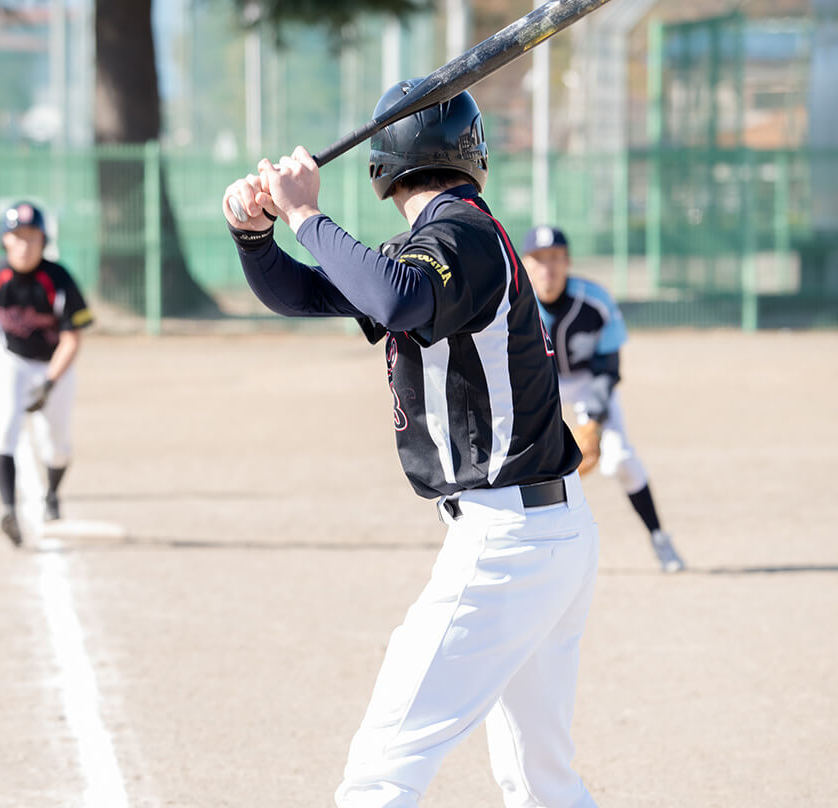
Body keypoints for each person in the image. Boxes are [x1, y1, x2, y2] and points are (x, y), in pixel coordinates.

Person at [223, 80, 600, 808]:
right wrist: (256, 234)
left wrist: (305, 210)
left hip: (507, 540)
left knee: (381, 772)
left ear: (382, 163)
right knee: (541, 781)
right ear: (471, 150)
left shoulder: (461, 235)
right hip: (541, 531)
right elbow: (307, 293)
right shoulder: (444, 239)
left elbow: (394, 296)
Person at [520, 224, 684, 573]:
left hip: (585, 382)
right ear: (525, 263)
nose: (548, 268)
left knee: (621, 457)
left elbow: (607, 368)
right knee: (524, 468)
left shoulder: (594, 301)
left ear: (568, 262)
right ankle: (531, 554)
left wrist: (592, 421)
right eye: (539, 259)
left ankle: (658, 537)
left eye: (556, 258)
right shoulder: (514, 304)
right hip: (536, 385)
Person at [0, 201, 93, 547]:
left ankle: (51, 496)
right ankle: (8, 511)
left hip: (53, 365)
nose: (24, 244)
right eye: (17, 236)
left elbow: (71, 339)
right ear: (4, 240)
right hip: (10, 360)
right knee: (2, 431)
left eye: (32, 237)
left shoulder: (58, 278)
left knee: (57, 445)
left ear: (43, 240)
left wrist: (49, 382)